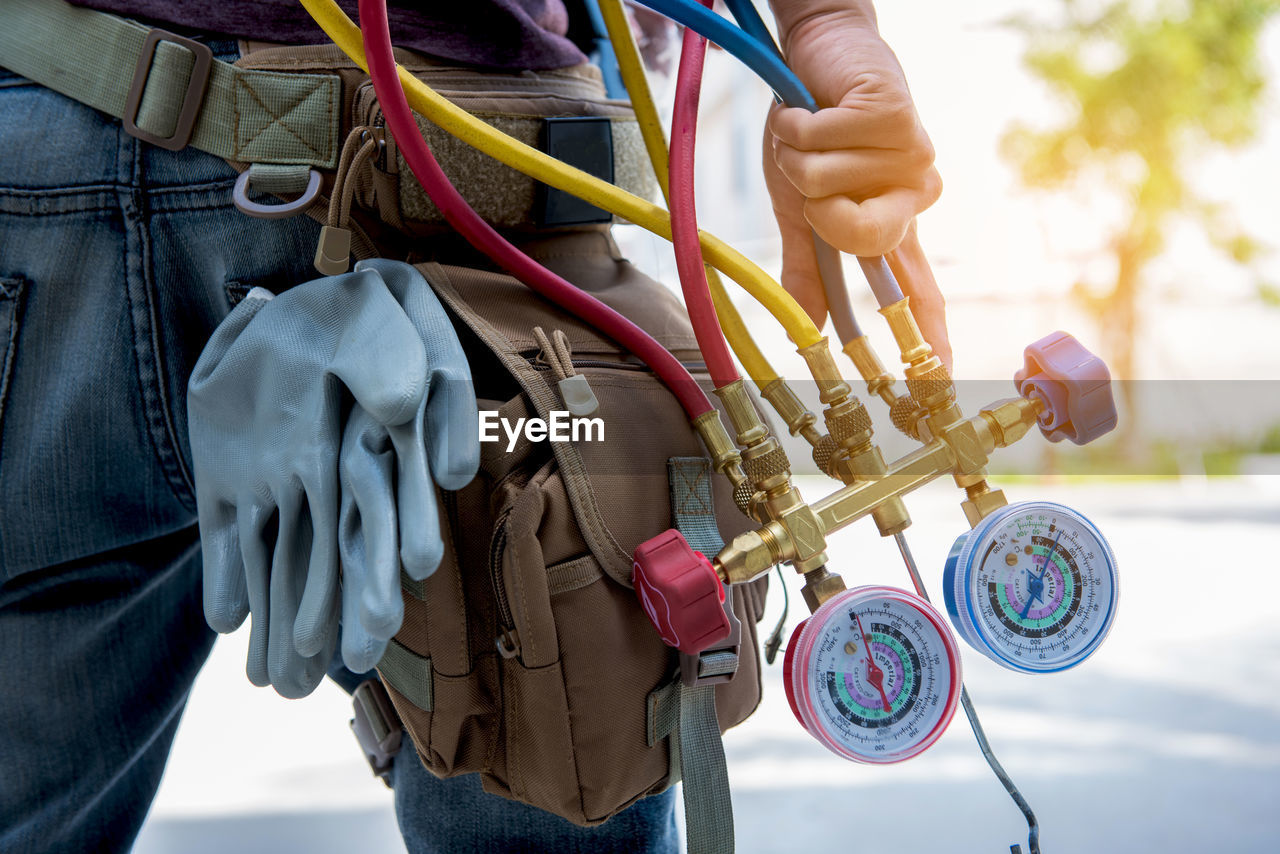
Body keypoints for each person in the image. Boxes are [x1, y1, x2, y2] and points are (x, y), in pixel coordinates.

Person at [0, 1, 944, 852]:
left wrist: (830, 32)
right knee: (560, 759)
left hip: (48, 148)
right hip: (452, 186)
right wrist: (826, 25)